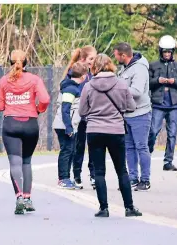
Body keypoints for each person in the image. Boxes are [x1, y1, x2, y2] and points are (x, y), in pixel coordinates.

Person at [79, 54, 142, 217]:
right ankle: (129, 208)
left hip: (94, 131)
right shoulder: (121, 85)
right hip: (116, 131)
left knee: (99, 172)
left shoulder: (88, 86)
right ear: (111, 65)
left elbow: (82, 111)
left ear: (94, 68)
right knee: (122, 170)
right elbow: (132, 106)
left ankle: (104, 208)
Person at [0, 49, 50, 214]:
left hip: (11, 124)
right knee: (27, 161)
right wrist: (38, 109)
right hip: (30, 124)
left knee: (15, 161)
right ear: (26, 63)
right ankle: (27, 198)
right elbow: (45, 99)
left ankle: (18, 196)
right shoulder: (34, 79)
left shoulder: (4, 81)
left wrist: (9, 105)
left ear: (9, 62)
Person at [114, 42, 152, 191]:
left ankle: (145, 179)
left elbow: (137, 91)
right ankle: (132, 178)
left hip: (140, 113)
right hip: (127, 114)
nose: (115, 57)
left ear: (123, 55)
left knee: (141, 146)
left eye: (116, 55)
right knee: (129, 147)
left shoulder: (139, 69)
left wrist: (117, 88)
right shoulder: (125, 68)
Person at [148, 35, 177, 171]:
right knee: (153, 131)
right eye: (165, 51)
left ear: (172, 52)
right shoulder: (153, 66)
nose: (167, 54)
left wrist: (174, 82)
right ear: (161, 51)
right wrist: (158, 80)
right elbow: (147, 83)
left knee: (172, 134)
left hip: (174, 105)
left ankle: (168, 161)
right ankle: (147, 152)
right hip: (158, 104)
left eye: (169, 52)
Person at [62, 46, 97, 189]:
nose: (93, 62)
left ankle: (94, 175)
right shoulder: (76, 76)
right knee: (79, 147)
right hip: (80, 117)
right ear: (83, 59)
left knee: (94, 146)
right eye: (91, 59)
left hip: (93, 116)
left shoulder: (92, 75)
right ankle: (76, 175)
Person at [53, 62, 90, 189]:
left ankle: (67, 178)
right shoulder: (70, 88)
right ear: (83, 76)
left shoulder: (72, 86)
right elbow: (65, 109)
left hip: (70, 126)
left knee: (71, 151)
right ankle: (63, 178)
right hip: (64, 126)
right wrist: (68, 127)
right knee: (66, 151)